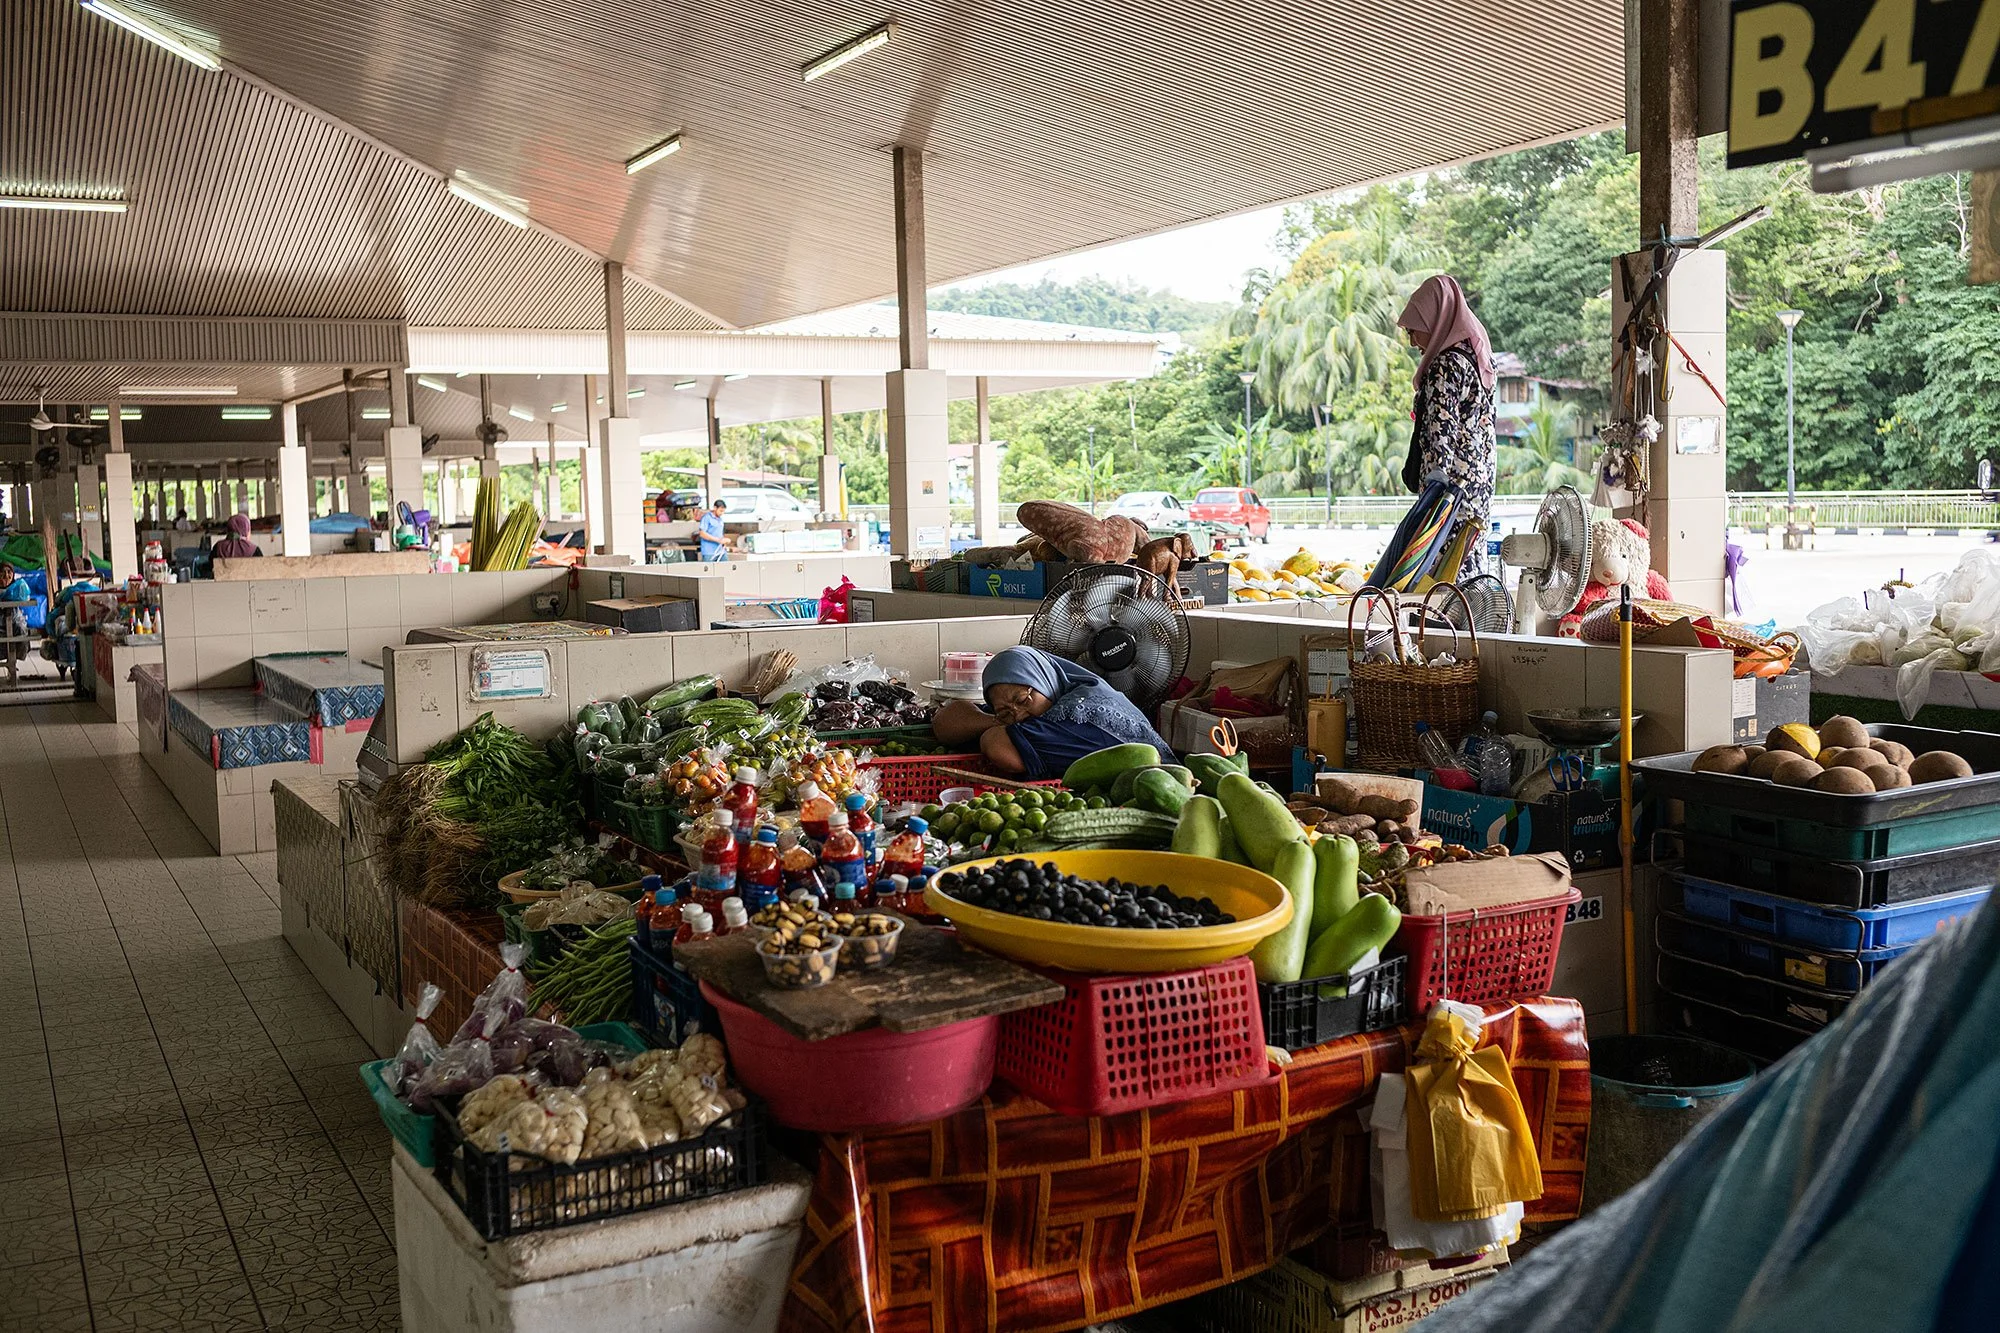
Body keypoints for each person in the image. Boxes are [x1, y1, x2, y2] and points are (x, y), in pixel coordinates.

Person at [932, 646, 1172, 780]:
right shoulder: (1048, 697)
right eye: (1005, 711)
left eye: (1023, 700)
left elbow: (999, 748)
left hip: (1161, 793)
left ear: (1042, 681)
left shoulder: (1077, 713)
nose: (1017, 714)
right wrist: (996, 718)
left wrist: (996, 726)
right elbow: (945, 722)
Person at [1397, 274, 1497, 577]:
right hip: (1477, 487)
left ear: (1436, 320)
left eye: (1416, 329)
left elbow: (1442, 430)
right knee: (1466, 567)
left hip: (1448, 491)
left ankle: (1443, 626)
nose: (1413, 340)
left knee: (1439, 577)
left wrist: (1432, 495)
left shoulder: (1445, 365)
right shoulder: (1478, 358)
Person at [0, 561, 30, 663]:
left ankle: (13, 661)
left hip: (13, 622)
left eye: (9, 572)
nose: (6, 575)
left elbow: (25, 597)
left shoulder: (16, 589)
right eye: (3, 572)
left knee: (21, 630)